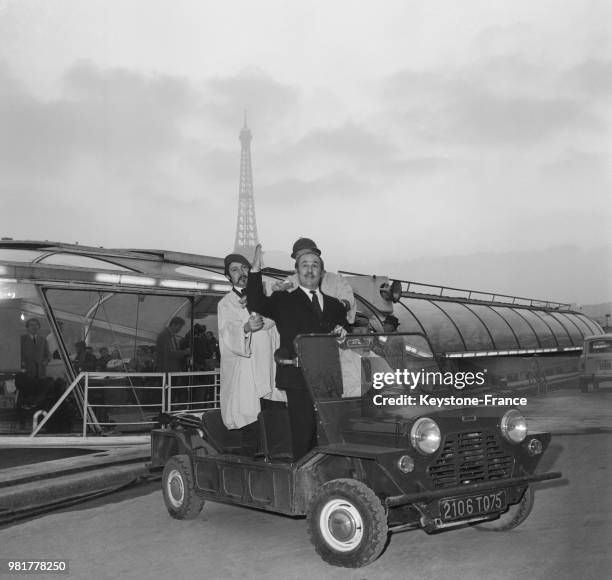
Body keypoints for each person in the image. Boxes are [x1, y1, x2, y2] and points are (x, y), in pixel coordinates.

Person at [247, 244, 348, 459]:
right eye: (304, 265)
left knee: (329, 432)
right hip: (297, 377)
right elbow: (256, 302)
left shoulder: (335, 306)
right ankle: (303, 483)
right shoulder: (283, 300)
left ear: (321, 272)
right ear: (296, 271)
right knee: (303, 434)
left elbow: (342, 331)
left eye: (315, 266)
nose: (310, 270)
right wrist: (255, 271)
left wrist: (342, 331)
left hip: (328, 379)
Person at [218, 253, 285, 452]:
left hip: (269, 368)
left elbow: (277, 322)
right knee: (252, 422)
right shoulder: (226, 303)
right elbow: (227, 332)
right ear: (229, 276)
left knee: (275, 421)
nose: (241, 273)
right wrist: (246, 328)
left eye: (245, 268)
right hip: (247, 371)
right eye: (235, 270)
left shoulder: (265, 297)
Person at [273, 237, 356, 324]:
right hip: (302, 334)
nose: (304, 259)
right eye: (299, 257)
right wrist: (278, 293)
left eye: (307, 255)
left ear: (317, 256)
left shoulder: (335, 280)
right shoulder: (290, 281)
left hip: (333, 333)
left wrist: (339, 306)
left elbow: (348, 301)